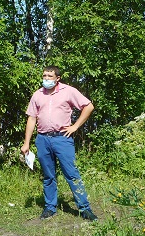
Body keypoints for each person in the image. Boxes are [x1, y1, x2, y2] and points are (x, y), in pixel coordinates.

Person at [20, 65, 98, 221]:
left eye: (50, 76)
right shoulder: (37, 95)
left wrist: (75, 126)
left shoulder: (68, 91)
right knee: (48, 176)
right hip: (42, 139)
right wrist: (26, 143)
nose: (46, 79)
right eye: (44, 76)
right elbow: (32, 118)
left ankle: (84, 209)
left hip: (62, 138)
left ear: (57, 78)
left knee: (72, 174)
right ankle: (50, 208)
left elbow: (88, 106)